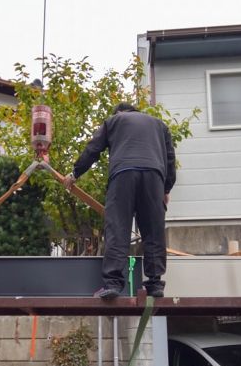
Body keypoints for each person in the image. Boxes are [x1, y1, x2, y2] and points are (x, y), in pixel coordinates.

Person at [63, 103, 176, 299]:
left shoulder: (114, 120)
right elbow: (170, 160)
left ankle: (113, 284)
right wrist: (166, 188)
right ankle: (155, 284)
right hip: (153, 176)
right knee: (153, 230)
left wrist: (75, 173)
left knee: (118, 227)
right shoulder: (160, 125)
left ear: (120, 113)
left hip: (123, 174)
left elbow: (93, 149)